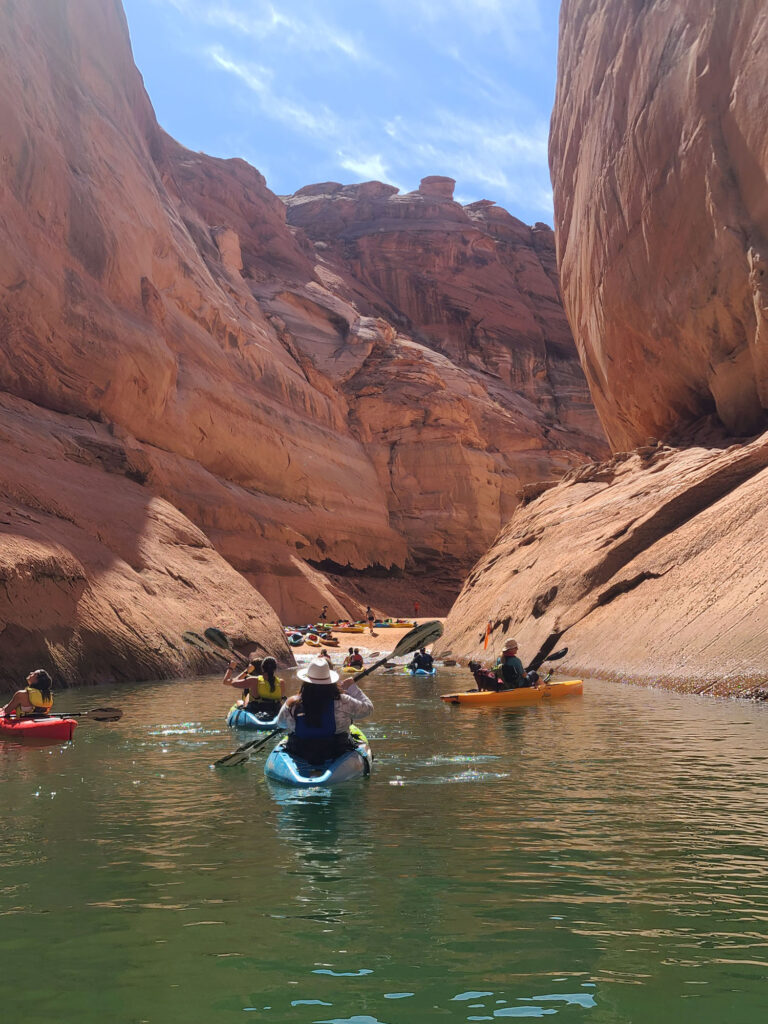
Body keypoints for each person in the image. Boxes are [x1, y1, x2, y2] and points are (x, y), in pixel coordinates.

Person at [275, 657, 373, 764]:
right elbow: (368, 708)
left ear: (306, 681)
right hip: (335, 751)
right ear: (330, 681)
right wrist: (352, 687)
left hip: (300, 751)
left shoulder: (292, 702)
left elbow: (281, 724)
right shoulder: (343, 701)